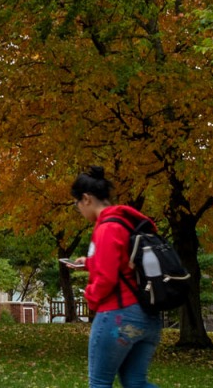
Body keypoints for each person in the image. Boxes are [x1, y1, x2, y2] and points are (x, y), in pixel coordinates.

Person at [73, 166, 162, 388]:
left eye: (77, 205)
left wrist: (89, 296)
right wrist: (89, 263)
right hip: (147, 317)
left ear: (86, 199)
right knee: (135, 382)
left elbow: (106, 280)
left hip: (118, 315)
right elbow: (121, 263)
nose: (79, 211)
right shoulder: (127, 224)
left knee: (100, 383)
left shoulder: (106, 228)